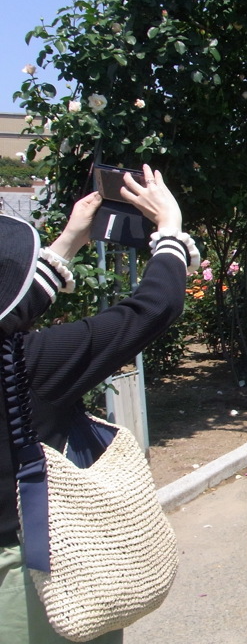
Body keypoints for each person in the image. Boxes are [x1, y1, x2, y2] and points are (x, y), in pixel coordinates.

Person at [0, 164, 198, 644]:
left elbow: (10, 311)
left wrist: (68, 241)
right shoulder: (32, 364)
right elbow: (150, 310)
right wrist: (169, 230)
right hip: (34, 582)